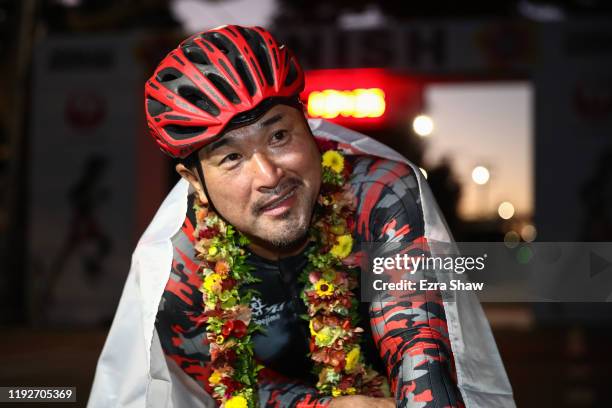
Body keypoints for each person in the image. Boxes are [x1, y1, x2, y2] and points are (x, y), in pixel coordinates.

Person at [87, 25, 514, 408]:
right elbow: (225, 393)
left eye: (279, 135)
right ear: (194, 182)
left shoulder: (378, 194)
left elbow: (421, 357)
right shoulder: (178, 271)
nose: (270, 175)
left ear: (311, 128)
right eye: (232, 157)